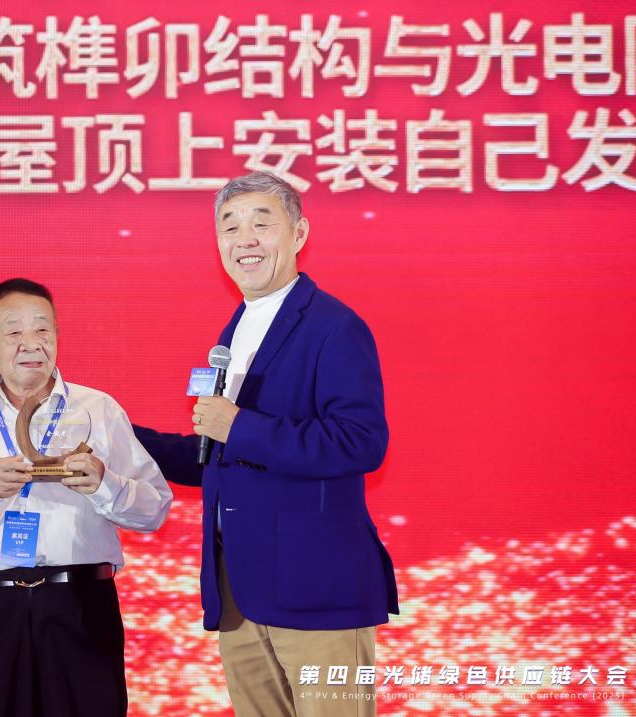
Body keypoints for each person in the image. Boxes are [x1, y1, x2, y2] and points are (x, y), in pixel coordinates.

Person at [135, 172, 398, 717]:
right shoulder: (236, 330)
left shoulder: (334, 327)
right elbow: (221, 456)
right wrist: (123, 436)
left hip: (315, 589)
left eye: (262, 223)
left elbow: (361, 441)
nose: (244, 239)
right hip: (240, 590)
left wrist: (240, 426)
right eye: (230, 226)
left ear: (299, 233)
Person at [0, 278, 172, 717]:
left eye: (42, 329)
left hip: (82, 604)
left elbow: (155, 508)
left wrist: (105, 484)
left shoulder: (99, 409)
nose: (31, 342)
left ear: (57, 337)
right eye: (13, 331)